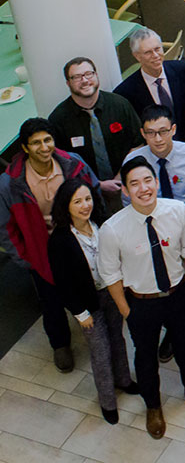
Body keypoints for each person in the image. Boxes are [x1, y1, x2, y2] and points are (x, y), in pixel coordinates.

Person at [98, 157, 185, 439]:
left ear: (156, 181)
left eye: (147, 180)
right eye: (134, 184)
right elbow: (111, 276)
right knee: (146, 357)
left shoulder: (177, 211)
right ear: (125, 190)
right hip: (141, 302)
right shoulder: (112, 229)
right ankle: (153, 406)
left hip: (179, 294)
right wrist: (127, 311)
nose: (143, 189)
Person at [0, 118, 100, 372]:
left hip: (78, 242)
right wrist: (25, 259)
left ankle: (98, 332)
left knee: (89, 288)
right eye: (36, 143)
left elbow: (95, 195)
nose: (44, 147)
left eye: (47, 140)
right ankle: (60, 345)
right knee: (51, 302)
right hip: (42, 252)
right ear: (24, 148)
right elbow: (5, 227)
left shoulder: (73, 165)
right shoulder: (10, 183)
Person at [123, 105, 185, 361]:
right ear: (143, 133)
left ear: (173, 130)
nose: (158, 139)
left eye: (163, 131)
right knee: (166, 286)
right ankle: (173, 331)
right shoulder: (133, 163)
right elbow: (128, 208)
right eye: (151, 133)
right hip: (154, 236)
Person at [48, 179, 137, 424]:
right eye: (77, 201)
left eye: (87, 199)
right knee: (100, 350)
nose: (84, 205)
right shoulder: (59, 240)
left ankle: (124, 380)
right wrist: (80, 313)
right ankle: (108, 401)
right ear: (66, 206)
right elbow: (62, 283)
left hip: (112, 292)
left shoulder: (102, 224)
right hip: (87, 304)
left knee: (118, 338)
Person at [50, 57, 143, 211]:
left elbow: (138, 143)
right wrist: (96, 183)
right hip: (85, 194)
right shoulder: (58, 120)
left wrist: (120, 177)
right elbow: (61, 164)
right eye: (77, 77)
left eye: (89, 74)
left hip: (128, 182)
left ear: (96, 75)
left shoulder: (120, 105)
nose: (85, 80)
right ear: (68, 83)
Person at [114, 27, 185, 143]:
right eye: (148, 52)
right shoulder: (125, 91)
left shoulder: (181, 69)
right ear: (137, 56)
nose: (155, 55)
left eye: (157, 49)